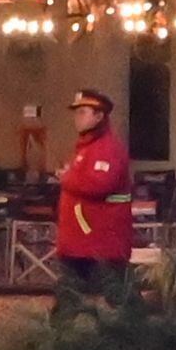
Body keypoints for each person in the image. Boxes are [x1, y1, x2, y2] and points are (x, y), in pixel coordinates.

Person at [52, 86, 135, 302]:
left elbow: (99, 184)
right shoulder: (87, 147)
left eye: (82, 112)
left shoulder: (107, 149)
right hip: (81, 241)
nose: (76, 118)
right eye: (76, 113)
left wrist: (67, 178)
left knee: (115, 299)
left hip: (100, 242)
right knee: (72, 298)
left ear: (99, 116)